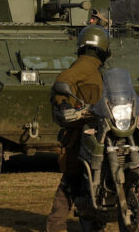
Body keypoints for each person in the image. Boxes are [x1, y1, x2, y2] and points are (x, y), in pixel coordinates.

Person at [46, 24, 111, 232]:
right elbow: (63, 81)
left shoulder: (98, 67)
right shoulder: (87, 64)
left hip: (98, 130)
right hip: (83, 131)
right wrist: (64, 104)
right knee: (74, 176)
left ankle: (85, 222)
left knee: (85, 177)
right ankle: (56, 226)